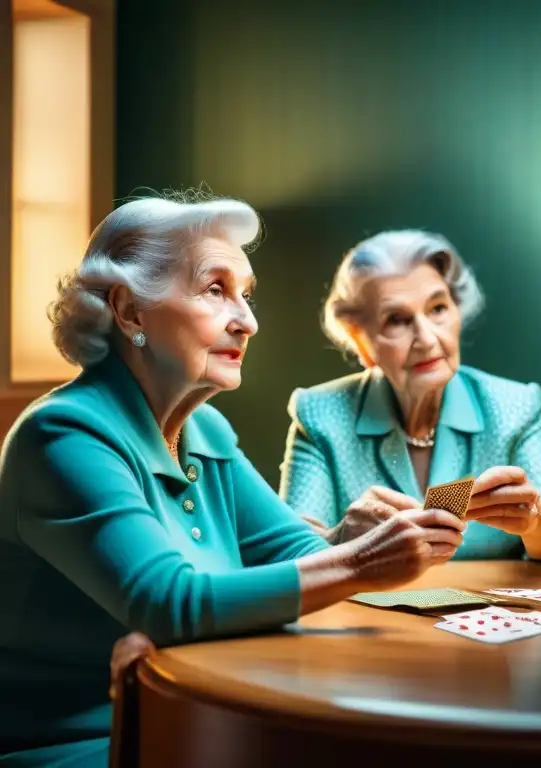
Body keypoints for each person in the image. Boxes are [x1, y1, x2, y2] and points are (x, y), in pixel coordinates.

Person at [0, 195, 465, 766]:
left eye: (246, 293)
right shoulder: (64, 435)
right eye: (215, 290)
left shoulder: (205, 431)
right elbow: (170, 604)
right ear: (129, 311)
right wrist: (363, 560)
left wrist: (354, 541)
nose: (247, 320)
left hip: (201, 713)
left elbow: (294, 553)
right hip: (88, 743)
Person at [280, 229, 541, 561]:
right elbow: (289, 553)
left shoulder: (514, 406)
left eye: (437, 308)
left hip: (490, 606)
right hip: (367, 611)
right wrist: (341, 538)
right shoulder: (321, 415)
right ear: (361, 341)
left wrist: (534, 520)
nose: (426, 338)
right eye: (397, 320)